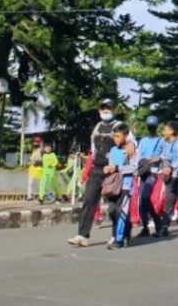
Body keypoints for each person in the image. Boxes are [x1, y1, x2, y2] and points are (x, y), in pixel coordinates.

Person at [68, 99, 120, 247]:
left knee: (114, 204)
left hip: (112, 169)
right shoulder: (97, 127)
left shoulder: (120, 127)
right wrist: (87, 168)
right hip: (97, 168)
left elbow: (129, 146)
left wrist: (116, 165)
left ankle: (117, 235)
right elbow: (93, 150)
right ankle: (82, 235)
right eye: (103, 109)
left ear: (114, 111)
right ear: (99, 111)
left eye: (109, 109)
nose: (106, 112)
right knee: (89, 200)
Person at [106, 122, 138, 249]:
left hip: (126, 185)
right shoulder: (113, 150)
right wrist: (108, 169)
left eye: (118, 136)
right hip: (114, 185)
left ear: (125, 136)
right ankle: (123, 232)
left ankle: (119, 239)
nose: (116, 139)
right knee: (112, 211)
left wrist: (118, 168)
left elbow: (134, 167)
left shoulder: (131, 150)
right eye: (114, 136)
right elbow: (111, 164)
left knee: (122, 212)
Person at [137, 115, 164, 238]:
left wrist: (158, 158)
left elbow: (166, 154)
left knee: (145, 196)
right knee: (142, 200)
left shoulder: (162, 140)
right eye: (149, 126)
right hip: (143, 171)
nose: (151, 129)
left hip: (153, 171)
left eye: (153, 126)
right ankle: (145, 227)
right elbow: (138, 154)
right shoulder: (143, 140)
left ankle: (158, 223)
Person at [26, 137, 43, 202]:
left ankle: (40, 197)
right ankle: (29, 196)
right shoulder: (33, 150)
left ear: (39, 143)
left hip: (39, 169)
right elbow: (31, 159)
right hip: (32, 170)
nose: (35, 143)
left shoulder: (41, 151)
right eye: (35, 141)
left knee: (40, 184)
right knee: (30, 183)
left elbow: (42, 160)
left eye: (37, 142)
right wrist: (30, 161)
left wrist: (35, 162)